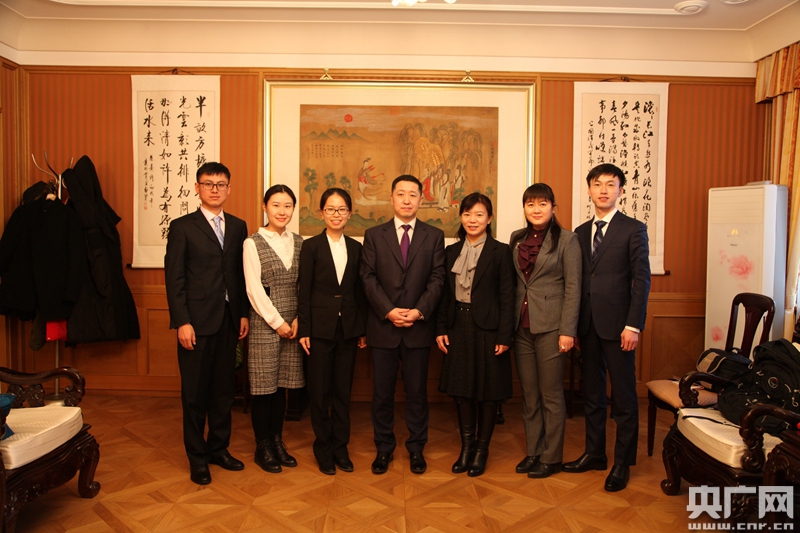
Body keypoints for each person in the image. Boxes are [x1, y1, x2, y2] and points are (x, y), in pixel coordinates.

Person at [563, 163, 651, 492]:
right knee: (593, 394)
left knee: (624, 397)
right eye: (597, 184)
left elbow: (642, 280)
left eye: (610, 184)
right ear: (589, 190)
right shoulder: (580, 231)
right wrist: (573, 325)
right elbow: (578, 281)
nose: (603, 190)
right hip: (588, 325)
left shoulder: (633, 229)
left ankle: (622, 463)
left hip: (619, 327)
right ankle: (595, 453)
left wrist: (633, 325)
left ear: (620, 191)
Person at [165, 162, 249, 485]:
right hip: (196, 324)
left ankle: (218, 448)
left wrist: (242, 313)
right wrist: (182, 322)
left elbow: (238, 274)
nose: (215, 189)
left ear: (229, 188)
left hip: (228, 321)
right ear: (197, 188)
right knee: (195, 395)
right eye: (208, 183)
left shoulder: (238, 226)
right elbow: (174, 279)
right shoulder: (182, 227)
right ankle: (197, 458)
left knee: (223, 392)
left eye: (221, 184)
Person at [360, 174, 445, 475]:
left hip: (418, 329)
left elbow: (438, 278)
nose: (407, 200)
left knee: (417, 393)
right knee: (382, 394)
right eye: (401, 194)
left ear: (421, 199)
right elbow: (367, 277)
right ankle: (383, 448)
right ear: (392, 198)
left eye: (412, 194)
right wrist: (388, 310)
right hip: (383, 327)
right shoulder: (374, 234)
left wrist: (419, 311)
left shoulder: (434, 235)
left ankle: (416, 448)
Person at [435, 193, 514, 477]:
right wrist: (441, 328)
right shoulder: (451, 252)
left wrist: (504, 336)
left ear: (489, 219)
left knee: (488, 392)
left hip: (490, 329)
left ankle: (482, 449)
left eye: (479, 214)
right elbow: (444, 296)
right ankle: (467, 447)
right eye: (468, 214)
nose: (473, 220)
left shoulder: (500, 252)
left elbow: (508, 297)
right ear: (461, 217)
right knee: (462, 390)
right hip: (458, 325)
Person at [509, 183, 581, 478]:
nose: (536, 209)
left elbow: (574, 288)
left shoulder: (567, 240)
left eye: (542, 204)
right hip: (521, 326)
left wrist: (568, 330)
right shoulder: (517, 238)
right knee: (529, 394)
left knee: (551, 394)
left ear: (553, 207)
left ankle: (552, 457)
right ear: (524, 208)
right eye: (530, 204)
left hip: (552, 327)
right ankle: (534, 451)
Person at [298, 188, 367, 475]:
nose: (336, 214)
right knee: (319, 391)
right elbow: (304, 290)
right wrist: (304, 329)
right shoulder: (311, 247)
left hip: (348, 330)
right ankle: (323, 447)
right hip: (319, 330)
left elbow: (360, 292)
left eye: (341, 210)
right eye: (330, 209)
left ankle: (341, 447)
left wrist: (361, 329)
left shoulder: (357, 248)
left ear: (350, 213)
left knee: (342, 391)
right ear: (321, 213)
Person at [243, 184, 304, 473]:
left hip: (294, 324)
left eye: (288, 206)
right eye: (276, 205)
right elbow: (253, 289)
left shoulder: (300, 242)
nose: (282, 211)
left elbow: (305, 285)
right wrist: (278, 323)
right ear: (265, 207)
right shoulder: (252, 243)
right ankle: (263, 446)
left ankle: (278, 441)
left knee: (282, 386)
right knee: (263, 387)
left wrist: (299, 319)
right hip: (265, 324)